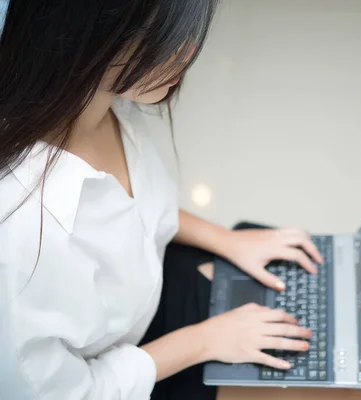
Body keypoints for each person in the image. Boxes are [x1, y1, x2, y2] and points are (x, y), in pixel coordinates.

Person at [0, 1, 324, 399]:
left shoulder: (105, 104)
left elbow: (136, 211)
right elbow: (73, 393)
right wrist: (205, 341)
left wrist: (226, 239)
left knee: (326, 335)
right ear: (92, 38)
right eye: (168, 37)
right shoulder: (21, 239)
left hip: (148, 292)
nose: (188, 52)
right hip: (123, 371)